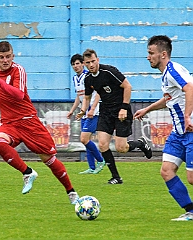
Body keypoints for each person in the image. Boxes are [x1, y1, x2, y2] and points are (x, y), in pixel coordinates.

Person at [0, 41, 79, 204]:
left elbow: (19, 95)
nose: (5, 60)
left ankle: (72, 193)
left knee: (48, 158)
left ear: (13, 56)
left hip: (28, 122)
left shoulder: (18, 70)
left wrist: (0, 82)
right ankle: (27, 172)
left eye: (8, 57)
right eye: (1, 57)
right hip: (10, 124)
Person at [134, 35, 193, 221]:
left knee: (192, 178)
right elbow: (169, 98)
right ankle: (191, 211)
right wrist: (148, 108)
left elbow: (190, 87)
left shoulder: (174, 70)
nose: (148, 57)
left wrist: (187, 116)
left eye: (151, 53)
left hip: (190, 131)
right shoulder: (166, 75)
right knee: (166, 171)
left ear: (163, 54)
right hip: (178, 133)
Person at [77, 49, 152, 184]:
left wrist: (124, 107)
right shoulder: (88, 79)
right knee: (103, 144)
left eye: (93, 61)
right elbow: (87, 97)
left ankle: (140, 143)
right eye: (88, 63)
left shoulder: (109, 71)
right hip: (105, 111)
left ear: (97, 60)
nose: (91, 65)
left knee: (121, 148)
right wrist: (83, 110)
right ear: (84, 64)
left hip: (120, 110)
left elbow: (128, 87)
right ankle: (116, 177)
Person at [67, 54, 105, 174]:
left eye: (78, 63)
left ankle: (100, 160)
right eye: (73, 64)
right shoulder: (75, 78)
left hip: (94, 111)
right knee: (86, 140)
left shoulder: (88, 76)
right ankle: (91, 167)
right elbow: (79, 97)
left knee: (84, 139)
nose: (75, 66)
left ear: (83, 63)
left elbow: (98, 92)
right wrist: (73, 110)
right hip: (84, 112)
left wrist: (93, 109)